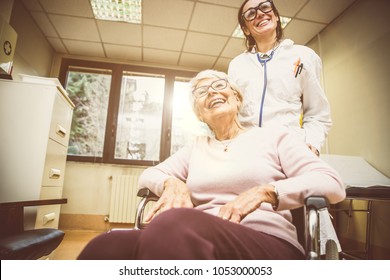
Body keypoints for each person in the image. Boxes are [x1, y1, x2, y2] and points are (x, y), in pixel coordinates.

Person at [77, 70, 345, 260]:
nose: (212, 92)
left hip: (266, 240)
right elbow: (150, 174)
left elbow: (331, 183)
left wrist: (265, 192)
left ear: (237, 98)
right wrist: (172, 182)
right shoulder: (196, 147)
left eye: (219, 84)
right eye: (202, 91)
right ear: (200, 113)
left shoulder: (274, 137)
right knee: (106, 246)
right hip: (191, 235)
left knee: (171, 226)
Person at [228, 0, 331, 156]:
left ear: (275, 16)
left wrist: (312, 143)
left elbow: (318, 113)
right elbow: (232, 116)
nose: (260, 13)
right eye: (250, 13)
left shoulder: (303, 56)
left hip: (290, 150)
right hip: (247, 151)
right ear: (246, 30)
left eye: (264, 7)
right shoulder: (237, 65)